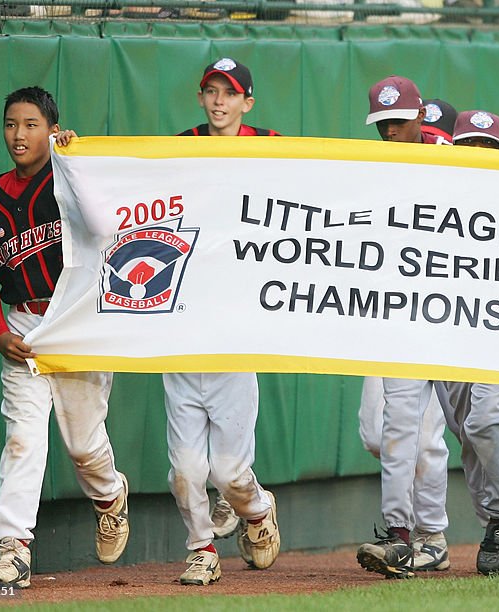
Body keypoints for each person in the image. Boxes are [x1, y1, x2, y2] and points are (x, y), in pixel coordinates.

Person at [0, 86, 129, 588]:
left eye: (32, 125)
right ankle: (13, 547)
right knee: (23, 436)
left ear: (52, 130)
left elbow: (106, 223)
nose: (19, 134)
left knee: (81, 445)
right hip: (24, 325)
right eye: (12, 124)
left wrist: (75, 163)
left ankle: (109, 497)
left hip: (76, 320)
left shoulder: (71, 178)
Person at [168, 58, 281, 586]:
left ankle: (256, 511)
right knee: (186, 470)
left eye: (229, 94)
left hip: (238, 330)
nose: (219, 102)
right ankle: (201, 548)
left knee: (229, 473)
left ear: (247, 103)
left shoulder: (273, 146)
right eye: (211, 91)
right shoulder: (178, 148)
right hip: (185, 326)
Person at [356, 75, 454, 579]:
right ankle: (409, 531)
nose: (390, 132)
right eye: (383, 124)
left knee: (431, 435)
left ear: (421, 116)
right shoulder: (372, 166)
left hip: (449, 316)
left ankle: (420, 536)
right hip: (392, 314)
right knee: (381, 431)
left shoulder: (457, 155)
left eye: (399, 121)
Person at [447, 110, 499, 576]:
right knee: (467, 434)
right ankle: (498, 512)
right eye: (468, 147)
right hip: (448, 328)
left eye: (487, 147)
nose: (477, 156)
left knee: (484, 422)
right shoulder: (433, 197)